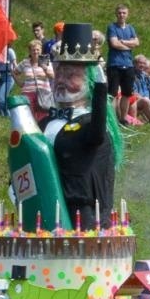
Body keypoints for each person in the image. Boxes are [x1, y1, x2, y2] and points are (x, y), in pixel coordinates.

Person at [44, 23, 114, 228]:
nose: (61, 81)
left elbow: (97, 135)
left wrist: (101, 90)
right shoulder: (46, 122)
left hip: (84, 209)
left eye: (71, 75)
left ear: (89, 81)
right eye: (59, 74)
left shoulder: (89, 122)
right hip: (48, 204)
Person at [106, 4, 140, 124]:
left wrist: (124, 42)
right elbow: (114, 43)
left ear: (127, 14)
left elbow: (136, 42)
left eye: (124, 13)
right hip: (115, 64)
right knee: (113, 93)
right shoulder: (112, 27)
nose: (121, 15)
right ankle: (112, 118)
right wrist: (128, 46)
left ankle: (123, 118)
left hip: (128, 64)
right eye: (119, 13)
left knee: (127, 93)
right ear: (116, 14)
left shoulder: (130, 28)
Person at [18, 40, 52, 120]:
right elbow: (15, 72)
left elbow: (52, 76)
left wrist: (45, 69)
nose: (35, 52)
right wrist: (20, 84)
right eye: (33, 50)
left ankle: (43, 131)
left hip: (43, 93)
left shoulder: (45, 61)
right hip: (27, 94)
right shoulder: (25, 62)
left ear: (41, 50)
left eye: (37, 49)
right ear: (29, 51)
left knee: (44, 117)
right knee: (29, 118)